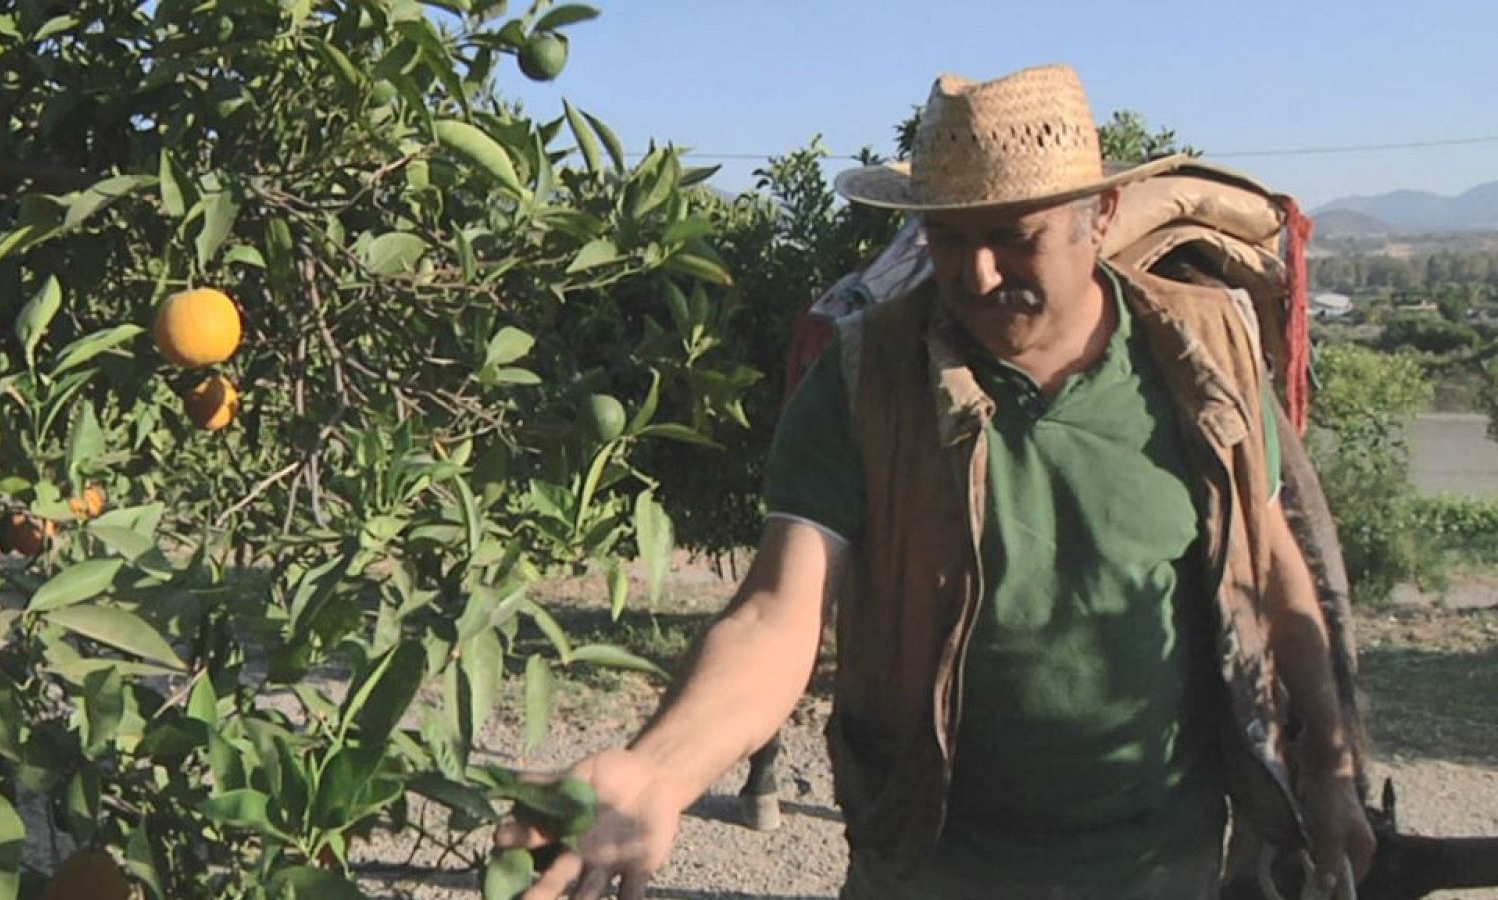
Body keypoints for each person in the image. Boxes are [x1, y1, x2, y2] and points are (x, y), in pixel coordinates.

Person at [496, 63, 1375, 900]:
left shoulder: (1202, 353)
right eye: (949, 240)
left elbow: (1271, 568)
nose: (979, 275)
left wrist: (1330, 761)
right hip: (931, 866)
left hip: (1160, 864)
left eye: (1015, 238)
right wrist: (657, 771)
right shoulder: (864, 380)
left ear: (1099, 214)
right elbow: (778, 614)